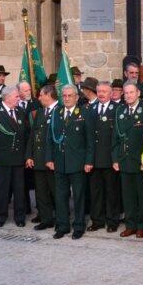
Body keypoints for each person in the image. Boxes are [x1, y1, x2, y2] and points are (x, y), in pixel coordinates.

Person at [45, 84, 96, 239]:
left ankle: (79, 226)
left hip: (78, 162)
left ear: (77, 97)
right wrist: (49, 158)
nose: (66, 98)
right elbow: (50, 137)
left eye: (70, 96)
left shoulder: (85, 113)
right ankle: (62, 226)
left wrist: (89, 161)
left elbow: (90, 140)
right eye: (64, 96)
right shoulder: (57, 112)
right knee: (60, 196)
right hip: (60, 161)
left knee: (79, 196)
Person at [0, 87, 30, 227]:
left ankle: (20, 217)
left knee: (19, 190)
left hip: (18, 158)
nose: (19, 99)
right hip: (1, 159)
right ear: (7, 97)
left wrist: (27, 156)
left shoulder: (20, 111)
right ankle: (0, 217)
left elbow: (26, 135)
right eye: (16, 96)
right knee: (1, 190)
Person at [114, 82, 143, 237]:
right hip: (124, 159)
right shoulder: (120, 110)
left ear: (138, 93)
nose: (128, 95)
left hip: (140, 160)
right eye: (126, 93)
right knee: (128, 196)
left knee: (142, 196)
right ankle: (130, 224)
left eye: (131, 92)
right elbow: (116, 137)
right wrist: (115, 159)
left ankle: (142, 225)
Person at [89, 81, 121, 231]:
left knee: (111, 193)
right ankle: (97, 221)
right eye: (99, 91)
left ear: (111, 93)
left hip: (110, 159)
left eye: (104, 91)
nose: (101, 94)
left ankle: (112, 222)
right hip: (94, 159)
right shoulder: (90, 108)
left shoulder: (118, 109)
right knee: (96, 193)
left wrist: (116, 159)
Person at [26, 85, 58, 230]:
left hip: (53, 161)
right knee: (41, 192)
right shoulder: (40, 112)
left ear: (49, 95)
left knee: (56, 192)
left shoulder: (60, 111)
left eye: (41, 95)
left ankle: (61, 218)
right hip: (39, 159)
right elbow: (33, 135)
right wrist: (29, 155)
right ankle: (46, 219)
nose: (38, 98)